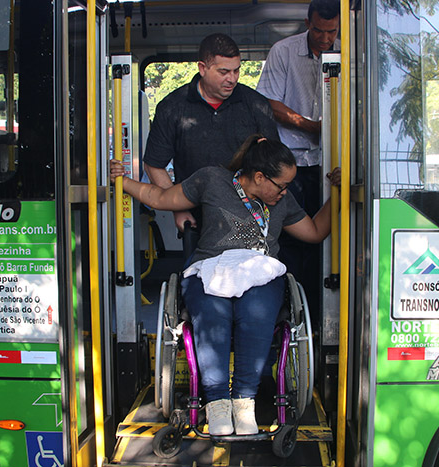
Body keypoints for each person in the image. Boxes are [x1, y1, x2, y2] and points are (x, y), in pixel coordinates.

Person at [111, 135, 339, 436]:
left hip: (261, 270)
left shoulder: (282, 202)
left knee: (255, 311)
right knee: (213, 314)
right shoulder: (212, 180)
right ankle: (217, 402)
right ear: (259, 177)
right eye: (281, 185)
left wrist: (338, 192)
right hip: (210, 267)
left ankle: (244, 401)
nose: (285, 192)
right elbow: (160, 198)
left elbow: (314, 232)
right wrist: (123, 181)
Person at [256, 0, 340, 335]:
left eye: (331, 32)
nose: (324, 38)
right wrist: (309, 126)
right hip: (292, 165)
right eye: (318, 30)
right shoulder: (283, 51)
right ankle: (289, 318)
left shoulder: (350, 50)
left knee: (331, 243)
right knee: (290, 242)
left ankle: (323, 321)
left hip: (331, 164)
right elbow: (269, 103)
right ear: (308, 22)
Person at [142, 33, 280, 232]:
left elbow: (274, 163)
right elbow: (154, 164)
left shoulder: (256, 104)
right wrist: (177, 209)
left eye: (236, 71)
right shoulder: (172, 107)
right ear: (202, 68)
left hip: (250, 214)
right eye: (224, 72)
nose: (232, 79)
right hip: (197, 216)